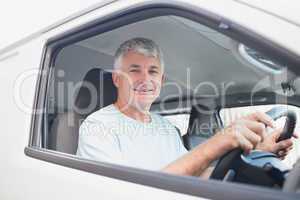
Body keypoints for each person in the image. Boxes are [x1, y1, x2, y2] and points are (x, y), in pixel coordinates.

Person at [76, 37, 296, 177]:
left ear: (161, 81)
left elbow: (196, 175)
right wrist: (218, 142)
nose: (145, 79)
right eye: (134, 70)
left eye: (153, 72)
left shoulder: (166, 128)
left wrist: (257, 153)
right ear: (116, 79)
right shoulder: (97, 127)